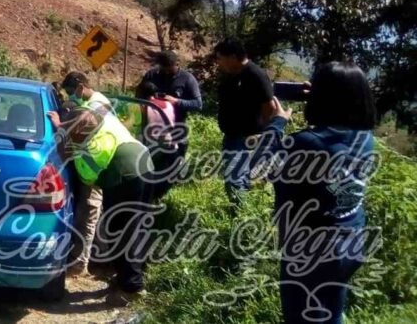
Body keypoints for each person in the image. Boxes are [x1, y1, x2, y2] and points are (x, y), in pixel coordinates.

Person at [263, 62, 377, 324]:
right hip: (353, 238)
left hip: (312, 249)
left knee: (300, 315)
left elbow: (264, 166)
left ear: (322, 97)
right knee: (332, 305)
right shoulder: (365, 137)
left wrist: (277, 123)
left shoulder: (308, 142)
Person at [54, 106, 154, 306]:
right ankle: (135, 275)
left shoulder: (90, 151)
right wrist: (62, 125)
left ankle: (131, 289)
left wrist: (65, 142)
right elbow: (83, 117)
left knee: (120, 232)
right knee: (137, 227)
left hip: (124, 176)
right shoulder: (102, 118)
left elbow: (89, 180)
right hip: (146, 164)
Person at [49, 71, 112, 278]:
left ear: (80, 86)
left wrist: (59, 125)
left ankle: (82, 264)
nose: (70, 97)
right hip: (90, 166)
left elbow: (80, 128)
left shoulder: (96, 105)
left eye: (70, 92)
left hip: (96, 167)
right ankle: (92, 259)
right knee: (88, 213)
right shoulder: (94, 102)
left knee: (90, 214)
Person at [214, 38, 275, 203]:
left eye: (220, 58)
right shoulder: (233, 75)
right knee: (240, 178)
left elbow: (269, 108)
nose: (219, 62)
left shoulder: (255, 75)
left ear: (232, 57)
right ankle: (242, 212)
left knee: (234, 180)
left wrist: (262, 134)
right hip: (233, 136)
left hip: (246, 138)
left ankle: (239, 217)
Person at [142, 50, 202, 157]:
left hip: (176, 130)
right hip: (150, 129)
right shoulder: (152, 75)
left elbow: (198, 104)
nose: (166, 73)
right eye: (163, 69)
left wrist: (177, 101)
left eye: (169, 70)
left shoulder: (187, 79)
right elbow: (139, 96)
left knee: (174, 165)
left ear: (177, 64)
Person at [135, 80, 179, 201]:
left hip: (154, 149)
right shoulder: (169, 105)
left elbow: (140, 128)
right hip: (171, 146)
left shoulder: (145, 106)